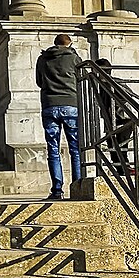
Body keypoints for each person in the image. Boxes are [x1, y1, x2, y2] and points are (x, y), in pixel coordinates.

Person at [35, 33, 85, 200]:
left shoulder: (43, 59)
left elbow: (39, 82)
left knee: (53, 150)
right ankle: (77, 186)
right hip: (71, 105)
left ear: (55, 44)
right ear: (69, 44)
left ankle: (57, 190)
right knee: (75, 149)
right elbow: (81, 79)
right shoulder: (74, 58)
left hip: (49, 105)